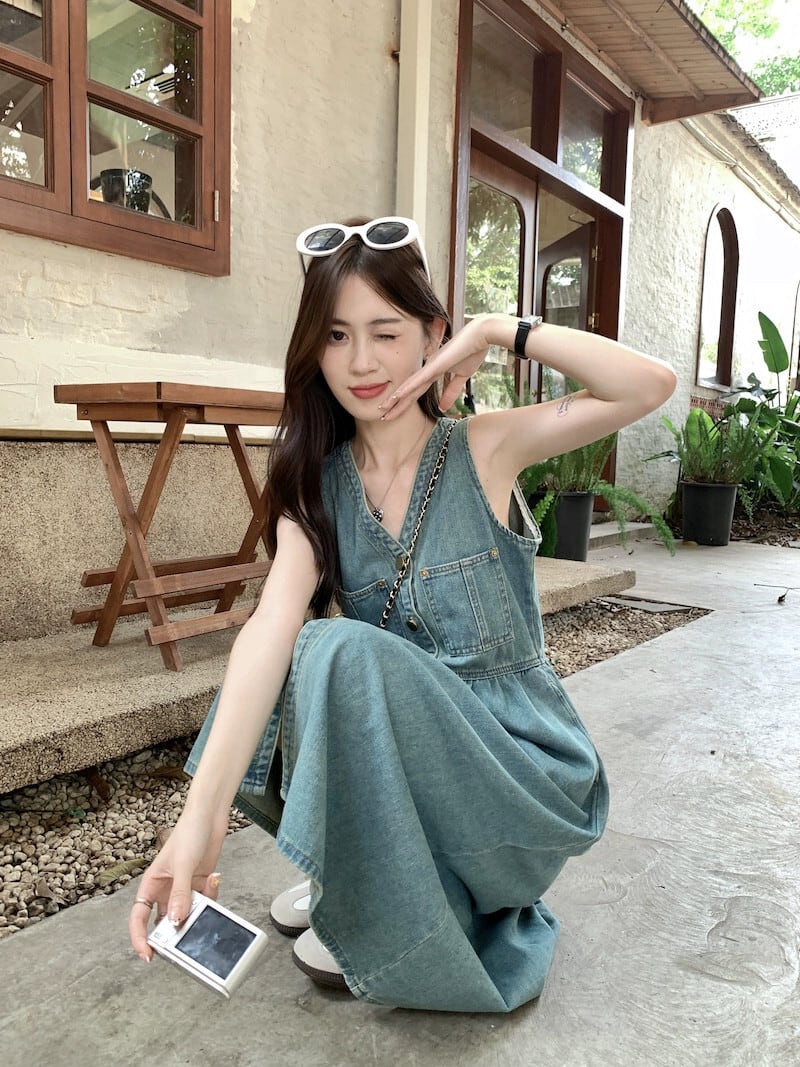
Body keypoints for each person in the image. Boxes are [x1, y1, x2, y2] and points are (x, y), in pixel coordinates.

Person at [129, 216, 676, 1012]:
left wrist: (497, 329)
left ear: (432, 335)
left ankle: (391, 906)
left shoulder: (484, 449)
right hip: (413, 790)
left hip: (518, 787)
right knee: (292, 648)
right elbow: (270, 628)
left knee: (334, 649)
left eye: (386, 332)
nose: (360, 362)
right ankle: (365, 880)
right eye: (336, 335)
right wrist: (198, 823)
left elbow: (648, 385)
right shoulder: (316, 485)